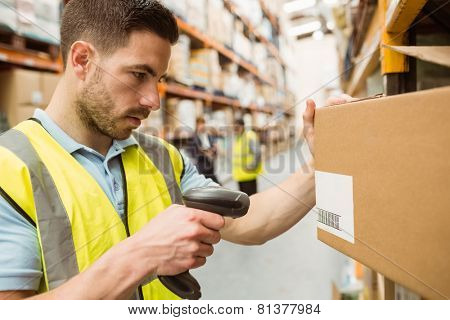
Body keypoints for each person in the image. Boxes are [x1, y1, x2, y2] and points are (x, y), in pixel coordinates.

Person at [0, 0, 349, 300]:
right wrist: (141, 257)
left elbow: (253, 222)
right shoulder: (10, 169)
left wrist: (320, 162)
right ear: (81, 60)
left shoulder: (161, 157)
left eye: (159, 80)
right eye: (138, 74)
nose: (153, 100)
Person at [232, 119, 262, 196]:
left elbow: (257, 153)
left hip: (249, 176)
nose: (235, 130)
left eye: (237, 127)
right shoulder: (238, 137)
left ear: (242, 126)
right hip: (240, 176)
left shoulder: (249, 136)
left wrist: (251, 167)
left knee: (252, 200)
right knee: (244, 201)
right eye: (234, 128)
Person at [193, 117, 220, 184]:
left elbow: (214, 149)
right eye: (200, 124)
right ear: (197, 126)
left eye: (203, 124)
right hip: (202, 169)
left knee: (215, 185)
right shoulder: (194, 138)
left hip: (211, 166)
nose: (202, 126)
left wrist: (214, 150)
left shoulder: (208, 136)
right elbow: (194, 153)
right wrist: (205, 153)